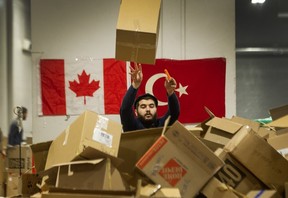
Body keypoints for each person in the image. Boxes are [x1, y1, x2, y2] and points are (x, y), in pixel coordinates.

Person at [120, 63, 180, 132]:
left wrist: (170, 92)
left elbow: (174, 113)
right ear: (136, 112)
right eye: (143, 106)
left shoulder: (161, 125)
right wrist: (135, 85)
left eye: (151, 106)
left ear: (156, 109)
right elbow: (125, 109)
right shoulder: (131, 125)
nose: (148, 109)